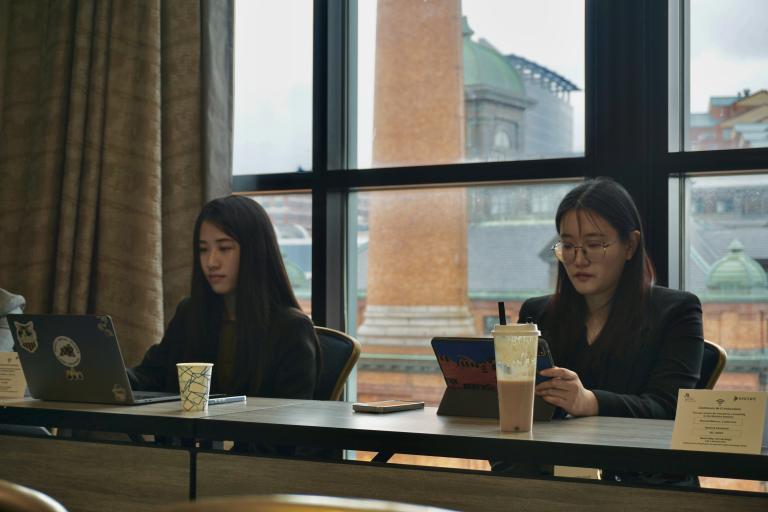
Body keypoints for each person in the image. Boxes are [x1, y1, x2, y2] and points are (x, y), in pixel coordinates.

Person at [496, 178, 703, 484]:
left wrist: (589, 401)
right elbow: (523, 414)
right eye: (568, 246)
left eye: (594, 245)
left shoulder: (677, 311)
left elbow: (670, 409)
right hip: (550, 481)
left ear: (630, 245)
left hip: (645, 484)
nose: (578, 259)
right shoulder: (537, 314)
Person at [128, 196, 321, 402]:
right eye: (203, 250)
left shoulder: (292, 329)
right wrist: (106, 377)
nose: (211, 262)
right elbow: (150, 376)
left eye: (224, 248)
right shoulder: (190, 313)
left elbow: (291, 420)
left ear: (254, 251)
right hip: (191, 434)